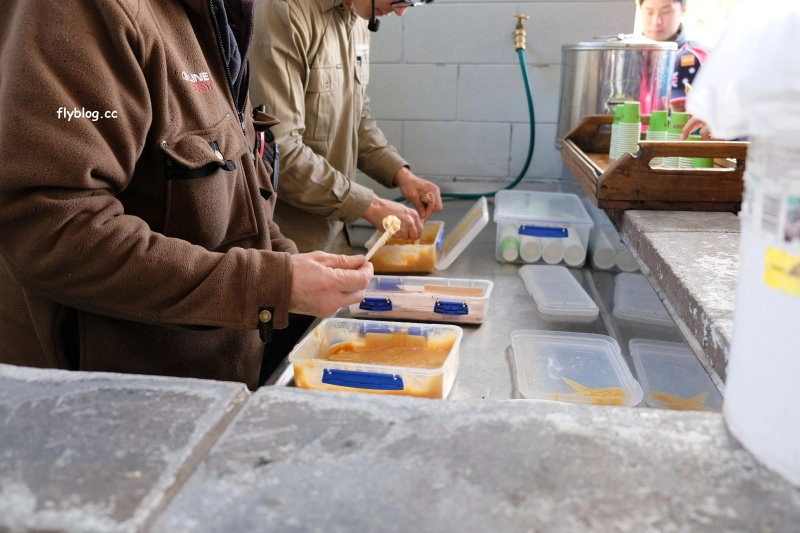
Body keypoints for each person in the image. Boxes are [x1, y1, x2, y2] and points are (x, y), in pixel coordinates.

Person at [0, 0, 374, 391]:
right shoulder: (81, 11)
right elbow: (51, 228)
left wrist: (292, 265)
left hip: (211, 387)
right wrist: (271, 284)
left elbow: (235, 184)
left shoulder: (216, 17)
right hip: (110, 410)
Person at [249, 0, 443, 256]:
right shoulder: (285, 11)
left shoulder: (360, 17)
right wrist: (371, 206)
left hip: (335, 239)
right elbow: (278, 151)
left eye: (413, 3)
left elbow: (357, 119)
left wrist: (400, 174)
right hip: (287, 250)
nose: (401, 11)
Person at [638, 0, 710, 112]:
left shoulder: (703, 57)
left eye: (666, 11)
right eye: (649, 12)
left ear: (683, 10)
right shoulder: (623, 57)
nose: (656, 21)